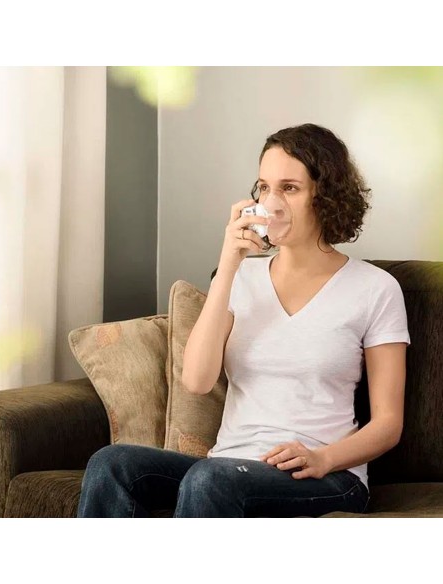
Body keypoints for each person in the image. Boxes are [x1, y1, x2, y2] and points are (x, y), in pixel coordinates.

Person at [77, 123, 411, 518]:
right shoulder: (241, 277)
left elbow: (388, 423)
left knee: (212, 479)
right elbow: (197, 381)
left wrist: (323, 458)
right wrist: (229, 264)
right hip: (227, 467)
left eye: (289, 188)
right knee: (112, 464)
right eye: (264, 188)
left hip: (326, 475)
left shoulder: (375, 288)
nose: (272, 202)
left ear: (326, 196)